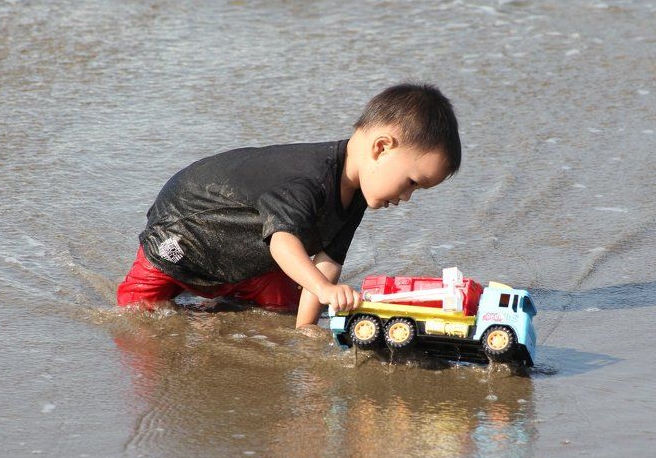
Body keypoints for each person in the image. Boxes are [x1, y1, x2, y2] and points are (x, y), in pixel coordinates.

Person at [117, 83, 462, 328]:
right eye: (412, 182)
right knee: (137, 312)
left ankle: (221, 297)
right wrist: (324, 290)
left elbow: (327, 263)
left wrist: (307, 328)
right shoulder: (307, 179)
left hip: (247, 258)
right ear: (381, 148)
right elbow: (284, 242)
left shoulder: (355, 195)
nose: (406, 197)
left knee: (283, 307)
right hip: (186, 235)